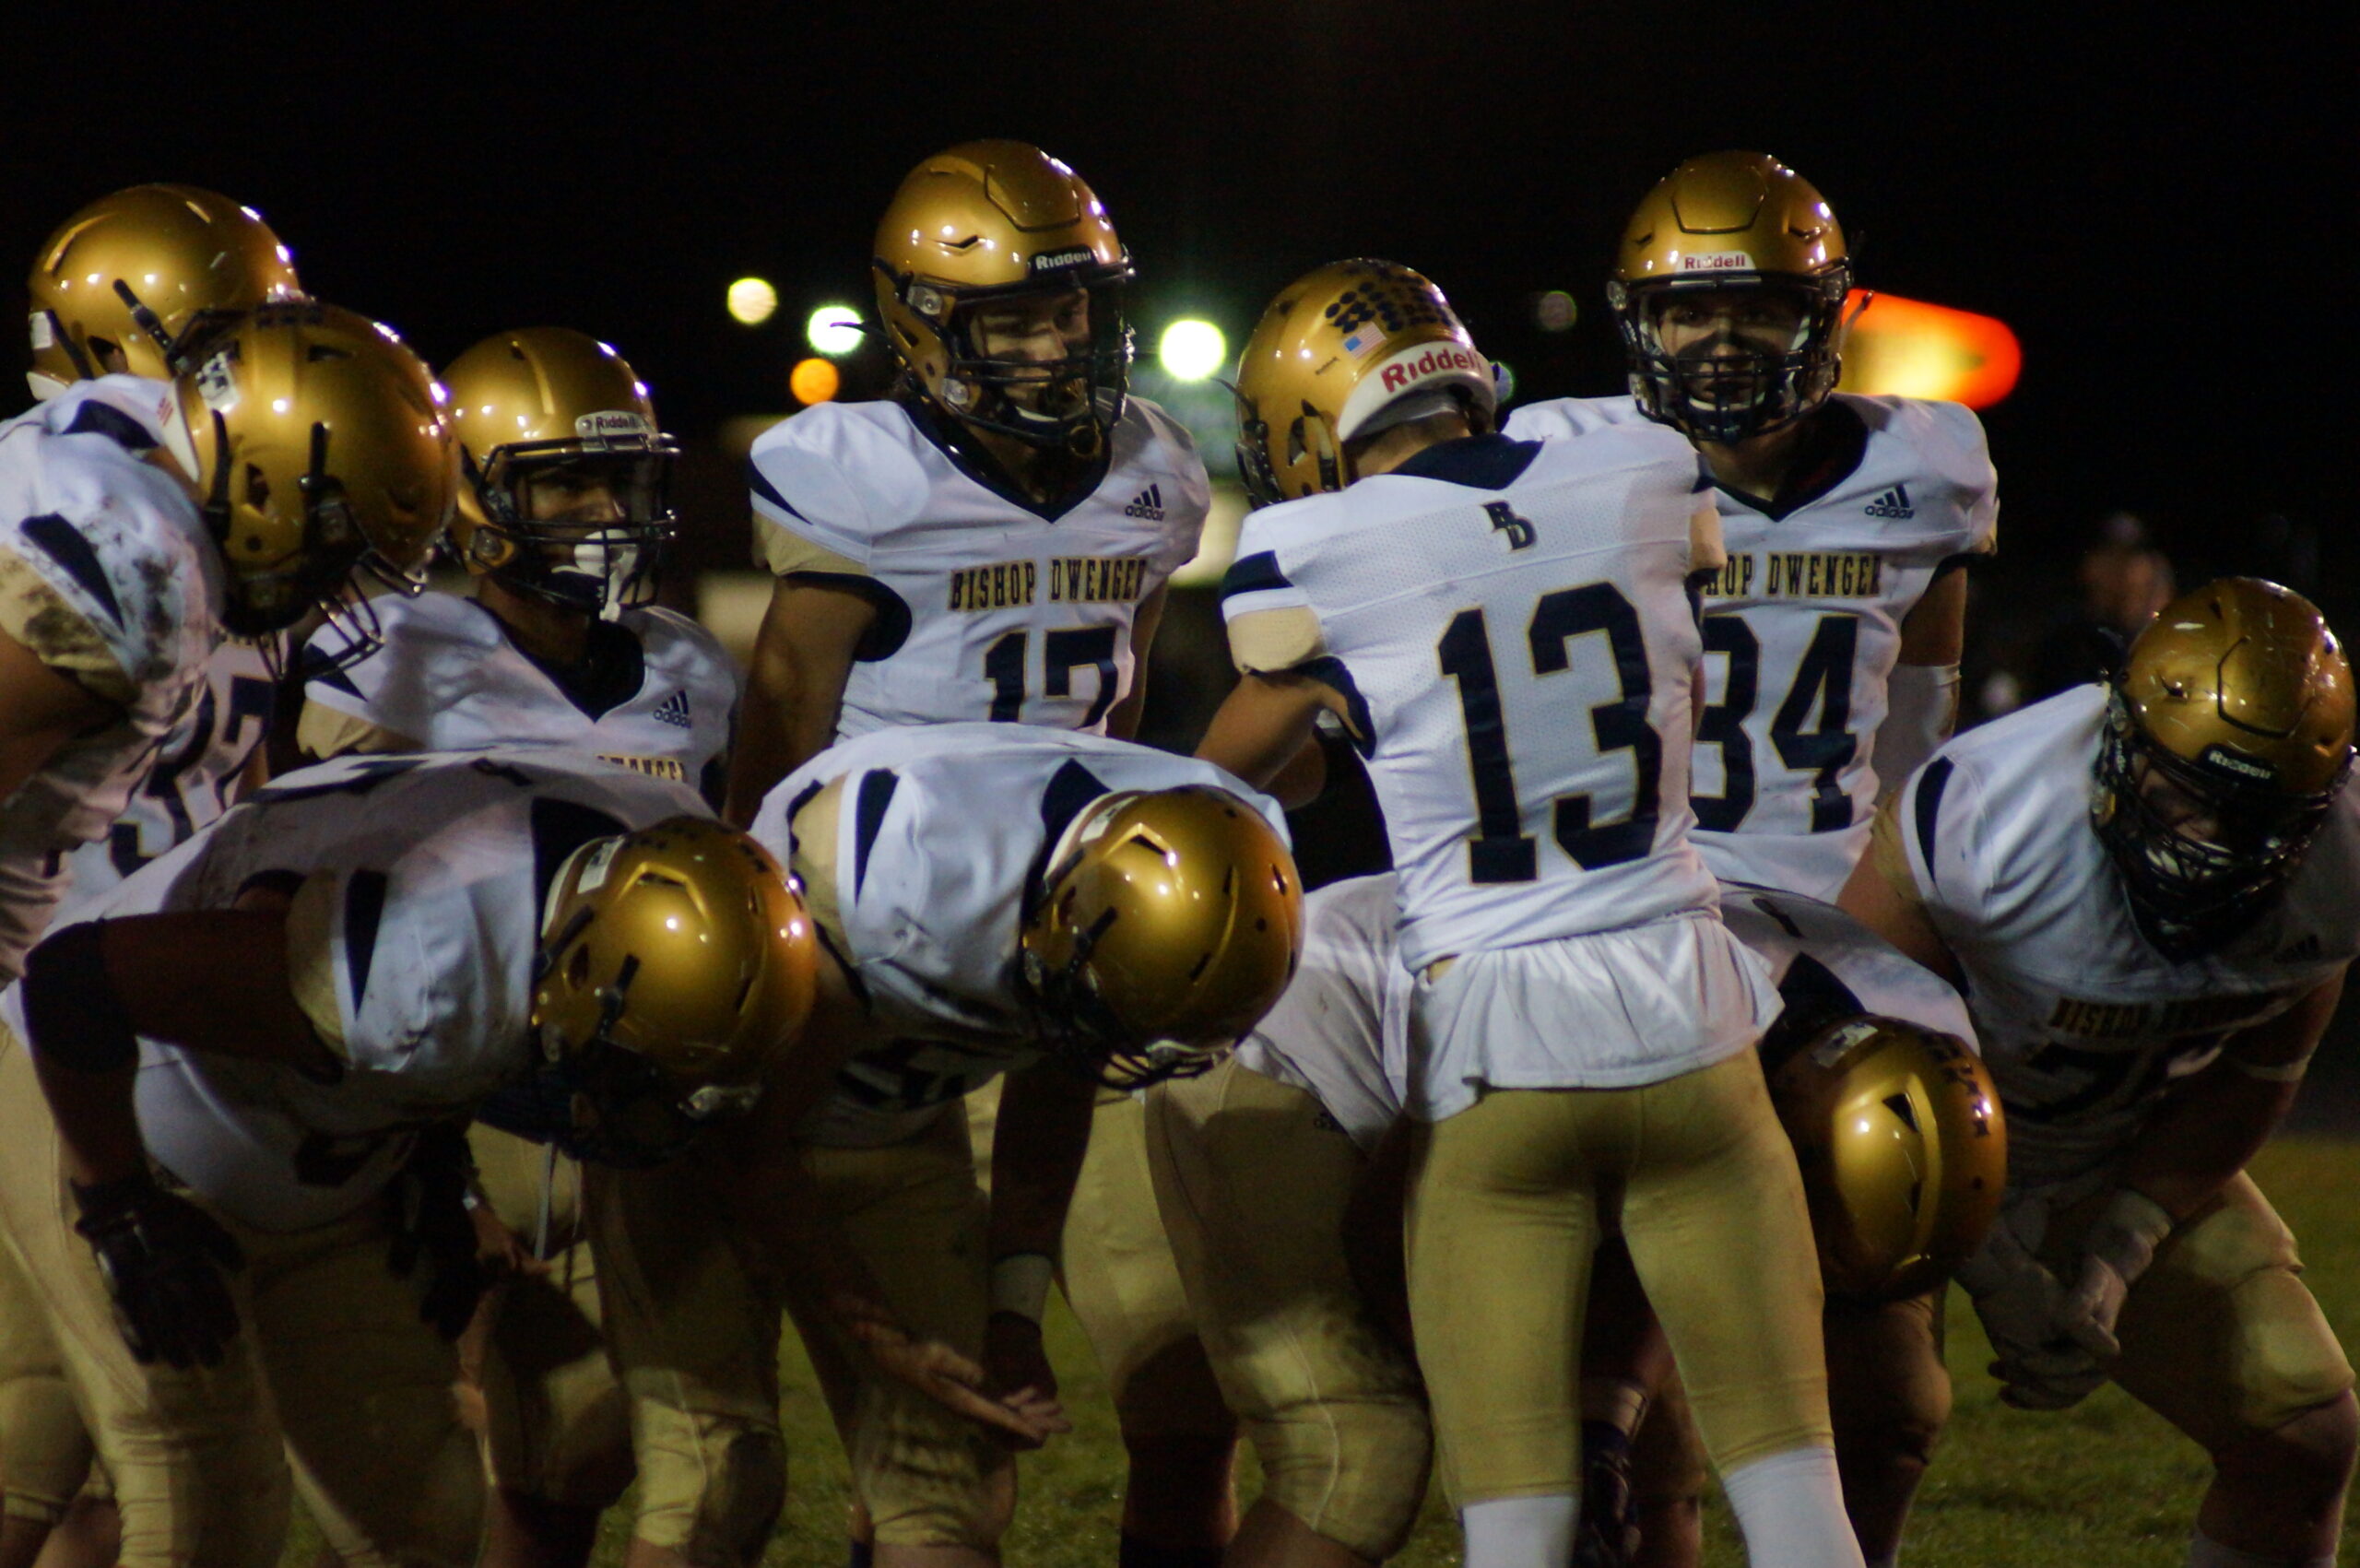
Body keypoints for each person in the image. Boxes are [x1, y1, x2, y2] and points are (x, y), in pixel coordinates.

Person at [1196, 256, 1860, 1568]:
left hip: (1498, 1061)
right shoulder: (1644, 467)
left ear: (1310, 428)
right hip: (1695, 1026)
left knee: (1518, 1530)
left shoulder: (1308, 550)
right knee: (1796, 1510)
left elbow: (1223, 776)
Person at [720, 137, 1232, 1567]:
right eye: (1013, 317)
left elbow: (1120, 703)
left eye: (1074, 310)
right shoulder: (857, 473)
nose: (1056, 345)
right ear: (922, 324)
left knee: (1142, 1388)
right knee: (739, 1462)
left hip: (1057, 926)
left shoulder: (1153, 468)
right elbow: (779, 728)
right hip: (879, 942)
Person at [1504, 151, 1997, 1564]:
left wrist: (1903, 894)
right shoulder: (1564, 455)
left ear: (1826, 316)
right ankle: (1608, 1438)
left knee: (1894, 1385)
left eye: (1760, 309)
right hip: (1639, 895)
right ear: (1635, 326)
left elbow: (1920, 725)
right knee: (1647, 1420)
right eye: (1687, 311)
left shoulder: (1926, 467)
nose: (1721, 342)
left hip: (1835, 909)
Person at [0, 749, 815, 1568]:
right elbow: (73, 986)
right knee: (203, 1501)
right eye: (637, 1077)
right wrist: (119, 1207)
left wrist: (436, 1157)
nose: (647, 1113)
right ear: (574, 968)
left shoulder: (672, 859)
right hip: (121, 1111)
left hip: (326, 1155)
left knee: (418, 1516)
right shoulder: (420, 961)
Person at [594, 721, 1304, 1568]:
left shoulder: (1222, 848)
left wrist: (1014, 1310)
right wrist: (885, 1338)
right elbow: (750, 1145)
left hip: (898, 1126)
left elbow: (1059, 1070)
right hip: (702, 1117)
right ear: (1065, 907)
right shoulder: (905, 872)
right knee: (718, 1478)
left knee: (950, 1494)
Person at [1145, 871, 2000, 1568]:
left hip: (1532, 1066)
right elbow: (1386, 1239)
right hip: (1299, 1051)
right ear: (1782, 1134)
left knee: (1654, 1459)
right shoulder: (1673, 1024)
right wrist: (1538, 1427)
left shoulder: (1926, 1035)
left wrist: (1603, 1422)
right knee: (1360, 1459)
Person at [0, 290, 454, 1564]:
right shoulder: (137, 563)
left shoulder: (125, 451)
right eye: (333, 539)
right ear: (263, 478)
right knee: (194, 1477)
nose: (334, 588)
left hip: (47, 987)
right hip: (31, 1005)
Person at [295, 325, 742, 1568]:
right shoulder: (396, 658)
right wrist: (444, 1169)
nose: (603, 512)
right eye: (561, 483)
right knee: (417, 1456)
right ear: (477, 491)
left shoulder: (688, 667)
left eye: (620, 481)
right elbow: (329, 919)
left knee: (578, 1446)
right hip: (444, 1092)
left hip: (621, 1093)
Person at [1840, 577, 2359, 1568]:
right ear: (2118, 734)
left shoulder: (2338, 866)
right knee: (1881, 1423)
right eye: (2180, 798)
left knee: (2303, 1433)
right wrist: (1988, 1261)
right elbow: (1858, 1057)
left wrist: (2123, 1245)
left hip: (2105, 1154)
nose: (2202, 849)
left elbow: (2259, 1067)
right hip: (1907, 1157)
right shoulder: (1990, 814)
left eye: (2246, 825)